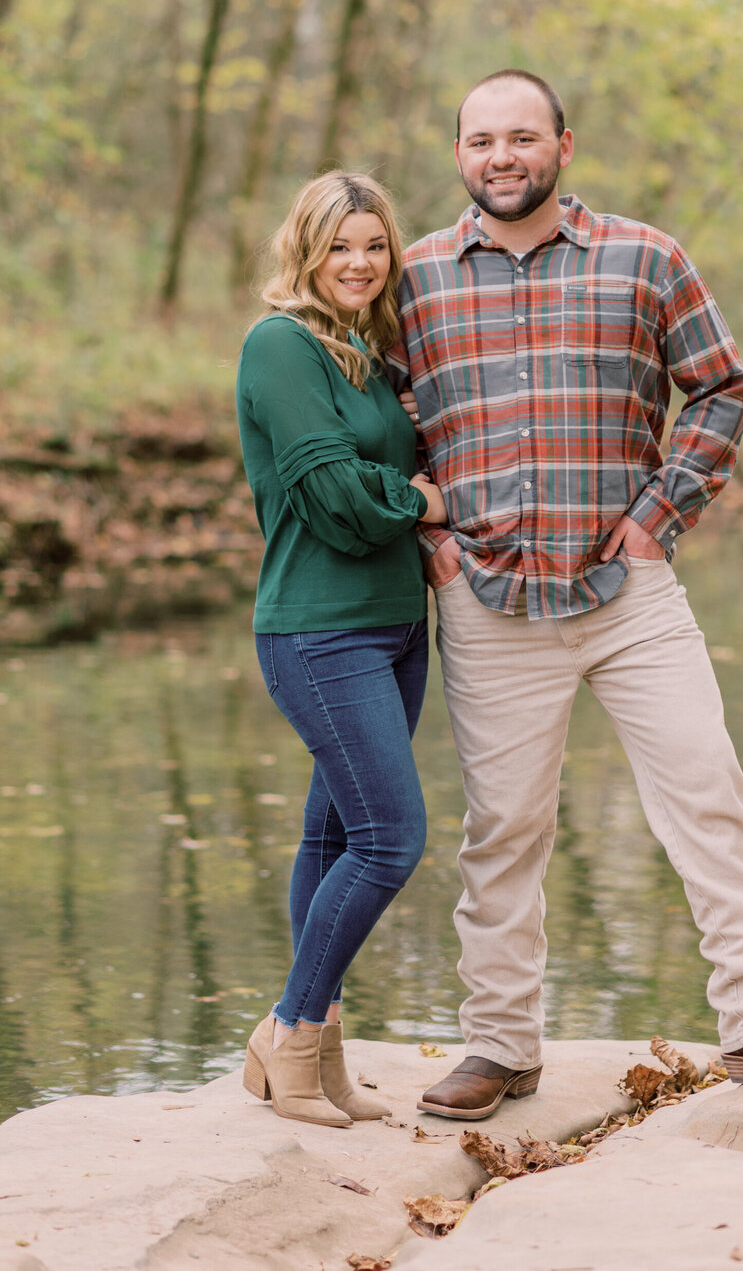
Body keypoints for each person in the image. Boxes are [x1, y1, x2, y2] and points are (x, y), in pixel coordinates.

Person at [394, 70, 743, 1121]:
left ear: (563, 144)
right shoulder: (411, 277)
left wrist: (658, 518)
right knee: (502, 827)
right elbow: (385, 419)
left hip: (626, 587)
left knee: (708, 789)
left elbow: (722, 385)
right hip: (489, 591)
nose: (501, 156)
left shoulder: (646, 257)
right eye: (479, 141)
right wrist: (433, 538)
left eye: (520, 137)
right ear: (459, 154)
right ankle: (501, 1045)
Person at [236, 172, 447, 1128]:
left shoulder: (367, 348)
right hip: (319, 629)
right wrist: (422, 503)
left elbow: (369, 468)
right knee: (391, 839)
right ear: (304, 250)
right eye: (338, 246)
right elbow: (338, 501)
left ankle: (318, 1063)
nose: (357, 264)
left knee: (333, 838)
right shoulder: (279, 345)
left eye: (373, 246)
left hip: (398, 625)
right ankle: (290, 1028)